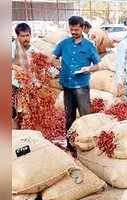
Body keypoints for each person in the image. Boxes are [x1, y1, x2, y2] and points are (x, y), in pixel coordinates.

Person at [51, 16, 101, 151]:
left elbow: (97, 65)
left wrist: (88, 68)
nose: (73, 32)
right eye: (71, 29)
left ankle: (88, 145)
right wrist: (59, 66)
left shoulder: (89, 46)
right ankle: (71, 145)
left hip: (82, 86)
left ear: (82, 28)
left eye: (76, 29)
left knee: (85, 116)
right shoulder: (64, 43)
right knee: (69, 116)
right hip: (67, 85)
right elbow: (53, 58)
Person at [11, 23, 38, 127]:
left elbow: (42, 64)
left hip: (28, 84)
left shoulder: (33, 49)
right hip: (14, 83)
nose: (25, 38)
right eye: (22, 36)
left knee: (26, 111)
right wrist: (15, 67)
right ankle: (16, 132)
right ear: (17, 36)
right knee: (14, 111)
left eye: (27, 35)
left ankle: (24, 132)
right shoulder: (13, 47)